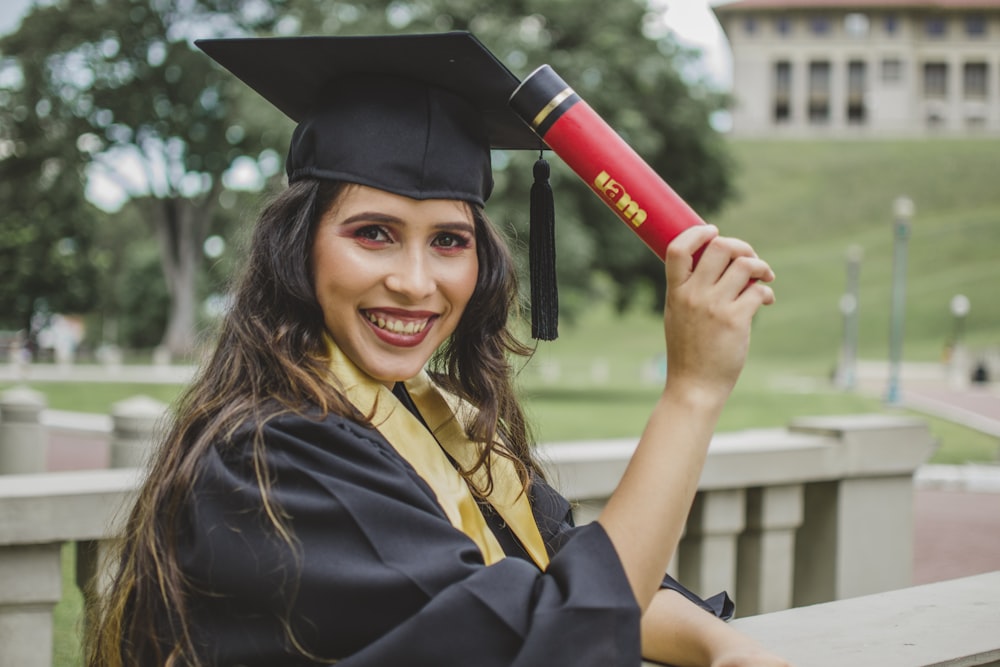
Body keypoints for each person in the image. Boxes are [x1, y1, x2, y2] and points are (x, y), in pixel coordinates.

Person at [85, 32, 785, 667]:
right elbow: (546, 636)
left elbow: (566, 568)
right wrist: (692, 390)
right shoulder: (275, 457)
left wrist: (723, 644)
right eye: (373, 233)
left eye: (449, 240)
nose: (415, 283)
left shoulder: (428, 414)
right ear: (298, 248)